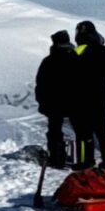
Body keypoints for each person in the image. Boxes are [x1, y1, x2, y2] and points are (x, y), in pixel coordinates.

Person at [67, 20, 105, 170]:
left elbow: (69, 76)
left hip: (79, 99)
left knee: (83, 133)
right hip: (99, 97)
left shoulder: (76, 52)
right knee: (103, 130)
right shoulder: (104, 51)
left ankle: (85, 161)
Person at [34, 29, 74, 164]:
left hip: (54, 102)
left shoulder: (49, 60)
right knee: (81, 132)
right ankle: (84, 158)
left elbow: (41, 83)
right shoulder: (77, 58)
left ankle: (57, 157)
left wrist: (41, 101)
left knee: (54, 131)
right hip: (75, 101)